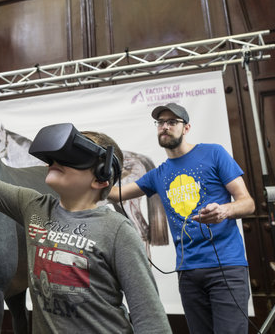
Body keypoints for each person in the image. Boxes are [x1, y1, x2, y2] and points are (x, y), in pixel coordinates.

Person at [0, 98, 172, 333]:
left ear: (100, 179)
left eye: (72, 157)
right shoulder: (34, 207)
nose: (55, 161)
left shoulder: (117, 231)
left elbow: (150, 318)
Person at [108, 102, 255, 334]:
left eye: (172, 122)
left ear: (186, 128)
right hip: (187, 273)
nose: (165, 127)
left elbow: (248, 203)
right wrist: (93, 170)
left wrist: (224, 211)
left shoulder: (213, 153)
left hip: (225, 267)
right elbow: (115, 194)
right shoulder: (158, 174)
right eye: (161, 123)